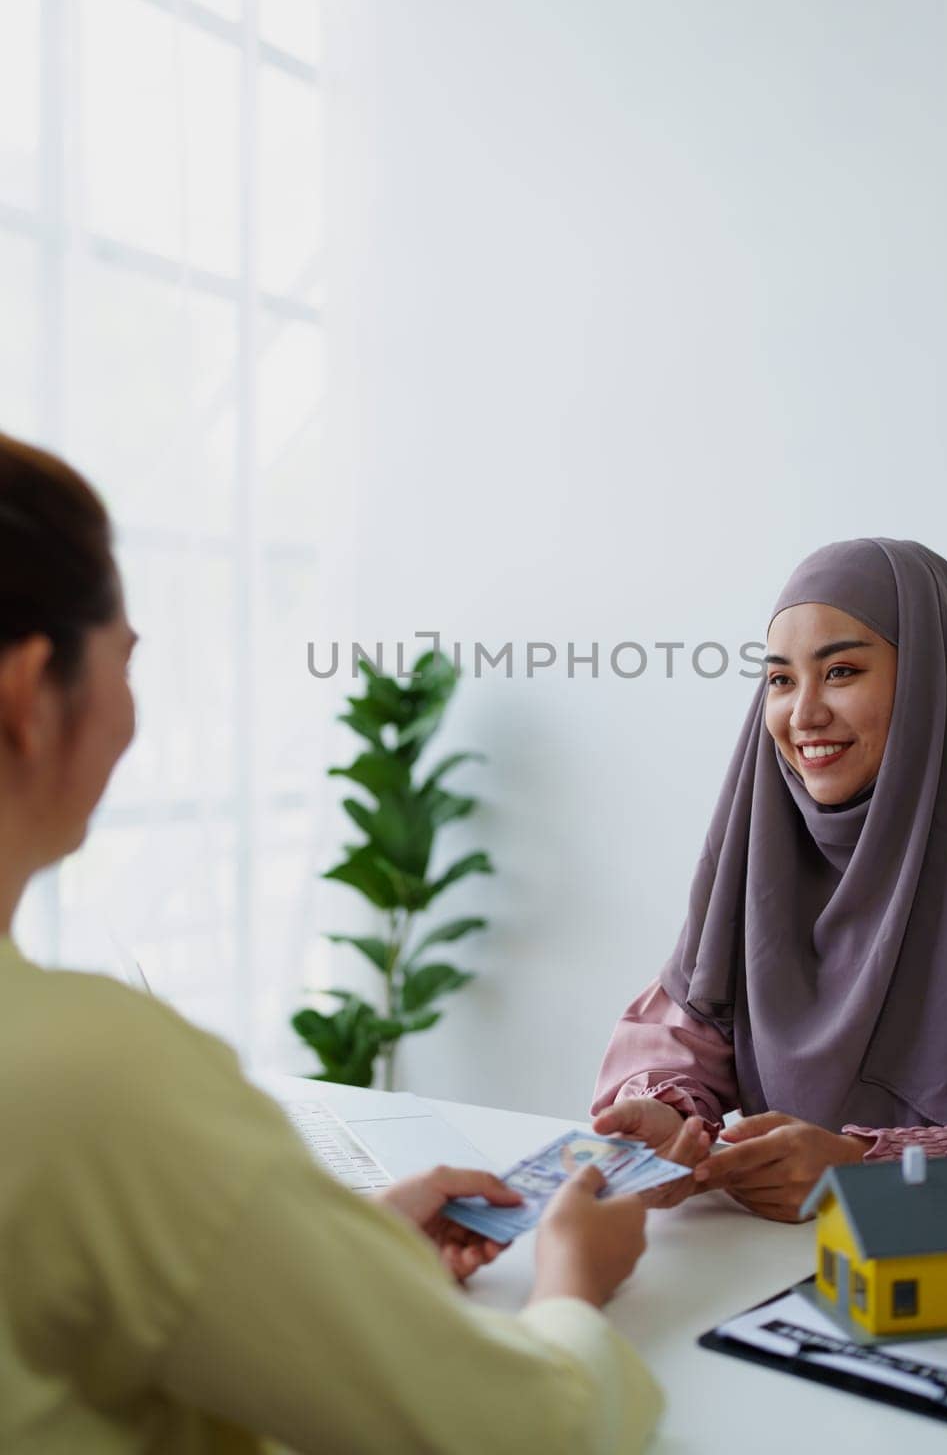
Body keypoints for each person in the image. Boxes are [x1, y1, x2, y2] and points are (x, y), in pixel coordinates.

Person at [0, 432, 662, 1454]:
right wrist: (572, 1282)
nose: (134, 714)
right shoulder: (94, 1073)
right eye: (127, 659)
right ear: (30, 689)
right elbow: (524, 1432)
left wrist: (306, 1255)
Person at [592, 538, 947, 1222]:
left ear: (926, 678)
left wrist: (864, 1167)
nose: (803, 713)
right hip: (759, 1257)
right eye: (780, 680)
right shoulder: (761, 841)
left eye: (840, 671)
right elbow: (687, 1033)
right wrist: (666, 1120)